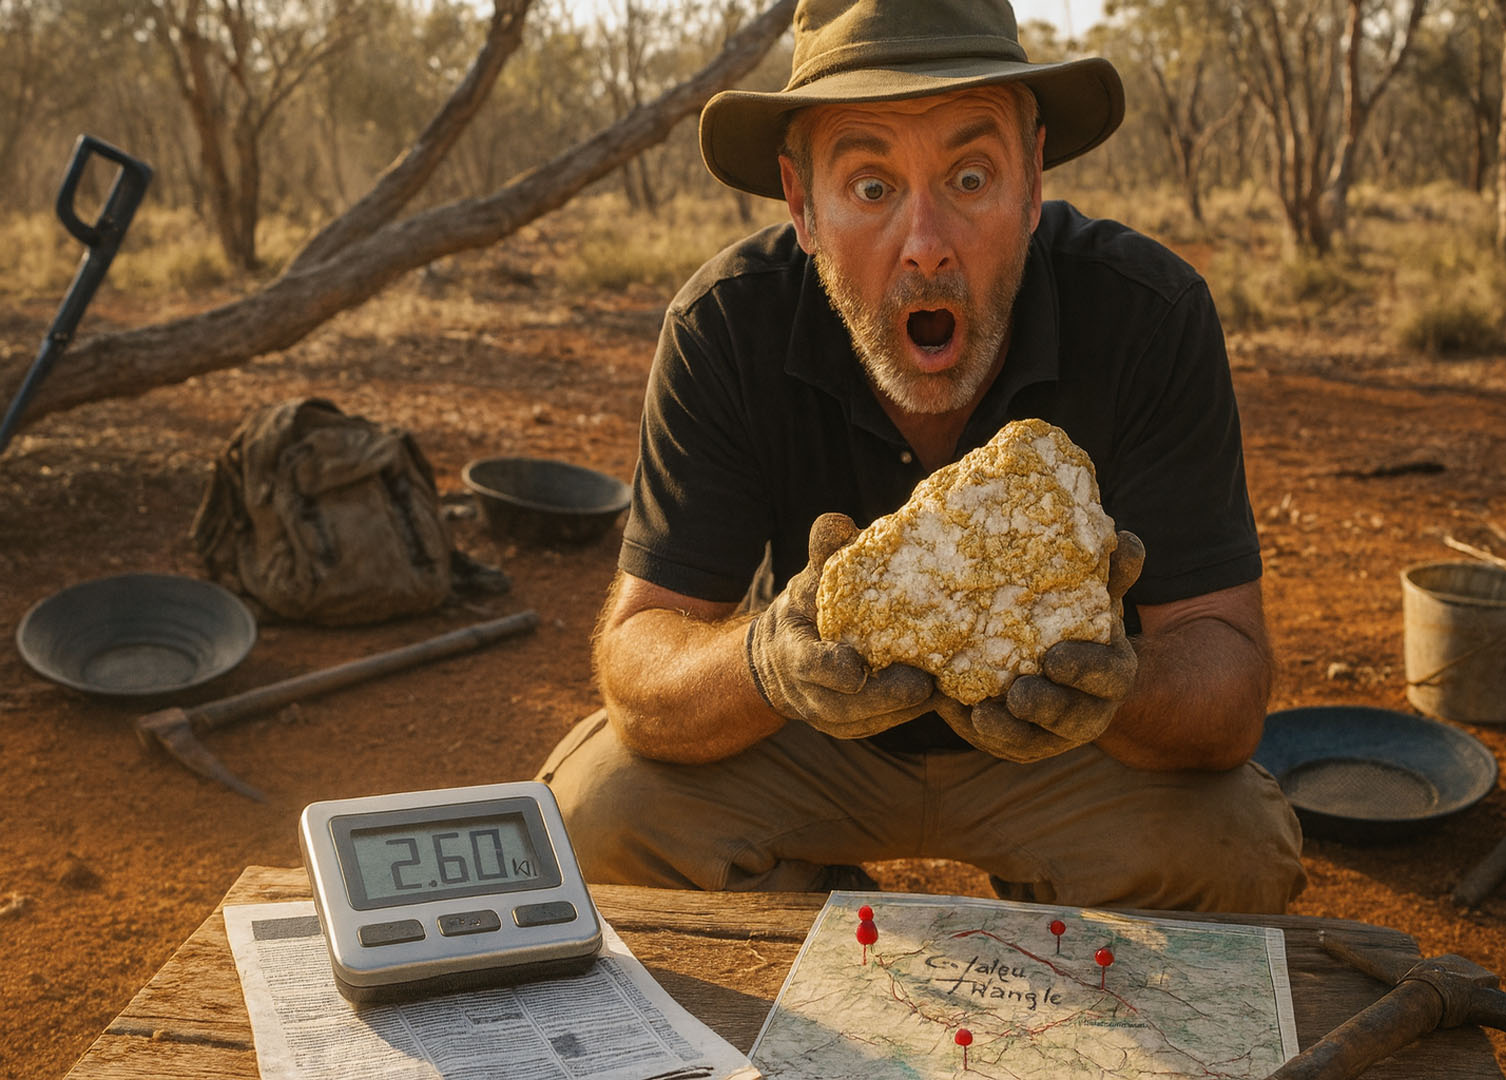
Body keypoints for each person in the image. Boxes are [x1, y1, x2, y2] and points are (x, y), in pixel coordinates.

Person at [538, 0, 1306, 913]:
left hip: (1072, 751)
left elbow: (1228, 677)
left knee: (1235, 852)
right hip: (807, 740)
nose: (926, 246)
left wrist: (1117, 685)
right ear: (802, 205)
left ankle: (1046, 933)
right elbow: (638, 660)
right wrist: (771, 661)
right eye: (871, 187)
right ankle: (815, 908)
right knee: (591, 816)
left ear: (1031, 185)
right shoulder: (725, 326)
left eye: (971, 176)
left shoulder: (1148, 314)